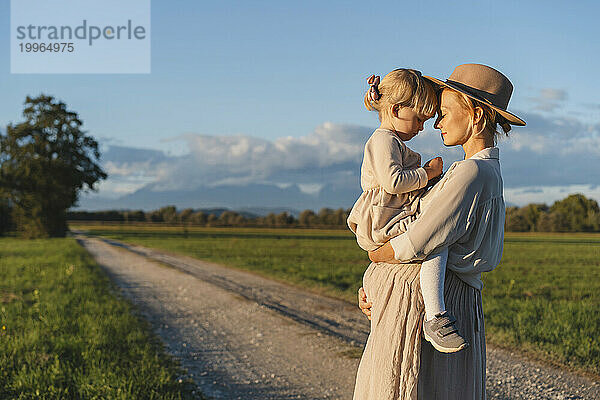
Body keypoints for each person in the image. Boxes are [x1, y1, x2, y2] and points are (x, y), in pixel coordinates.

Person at [353, 63, 526, 400]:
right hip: (448, 298)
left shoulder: (469, 173)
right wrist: (374, 281)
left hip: (429, 304)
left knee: (407, 387)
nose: (436, 122)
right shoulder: (487, 173)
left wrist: (374, 256)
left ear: (476, 117)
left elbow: (416, 241)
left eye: (445, 112)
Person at [347, 68, 468, 353]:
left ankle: (374, 292)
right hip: (383, 216)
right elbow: (394, 181)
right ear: (397, 109)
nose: (422, 127)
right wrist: (426, 174)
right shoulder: (383, 140)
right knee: (433, 241)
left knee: (420, 243)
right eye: (419, 119)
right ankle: (436, 316)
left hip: (390, 212)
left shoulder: (392, 141)